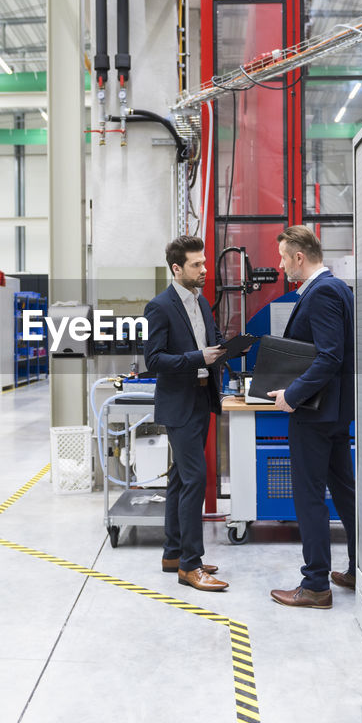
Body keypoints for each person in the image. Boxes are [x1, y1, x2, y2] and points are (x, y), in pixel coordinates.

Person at [266, 225, 357, 609]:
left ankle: (316, 584)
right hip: (334, 413)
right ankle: (358, 567)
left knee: (309, 497)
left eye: (284, 257)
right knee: (344, 493)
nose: (281, 264)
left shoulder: (321, 294)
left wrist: (292, 394)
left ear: (299, 257)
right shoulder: (337, 289)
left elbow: (329, 356)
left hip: (316, 414)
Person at [143, 235, 229, 592]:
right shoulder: (159, 307)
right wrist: (198, 358)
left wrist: (227, 347)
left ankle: (173, 553)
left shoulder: (201, 301)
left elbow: (204, 343)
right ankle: (190, 566)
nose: (204, 269)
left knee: (181, 478)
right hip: (179, 404)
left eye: (204, 263)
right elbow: (154, 361)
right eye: (196, 264)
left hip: (200, 399)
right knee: (196, 478)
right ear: (177, 268)